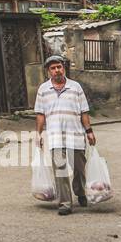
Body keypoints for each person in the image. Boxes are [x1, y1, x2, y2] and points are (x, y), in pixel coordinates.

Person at [34, 54, 95, 215]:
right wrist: (38, 134)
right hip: (55, 137)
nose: (57, 71)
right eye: (53, 68)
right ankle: (65, 203)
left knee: (79, 168)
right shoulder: (43, 89)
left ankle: (80, 192)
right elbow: (40, 114)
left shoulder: (76, 87)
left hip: (75, 135)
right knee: (60, 170)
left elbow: (84, 112)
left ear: (64, 68)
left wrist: (89, 131)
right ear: (48, 71)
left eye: (59, 67)